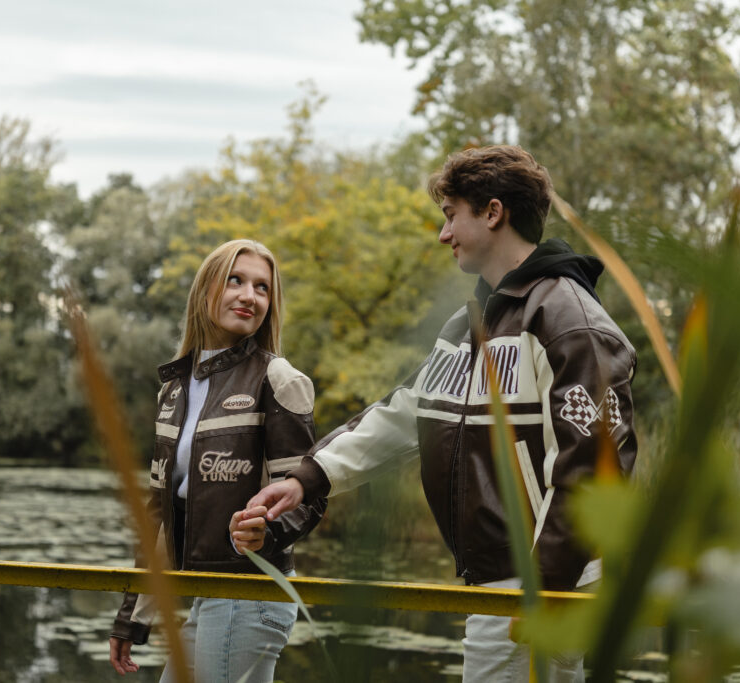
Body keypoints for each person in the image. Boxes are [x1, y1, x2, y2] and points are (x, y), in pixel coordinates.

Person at [243, 146, 637, 682]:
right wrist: (307, 479)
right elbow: (406, 412)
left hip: (541, 585)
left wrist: (545, 588)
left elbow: (595, 471)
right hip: (499, 582)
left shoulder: (569, 322)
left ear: (492, 212)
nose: (443, 233)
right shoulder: (467, 324)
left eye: (452, 215)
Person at [109, 239, 326, 683]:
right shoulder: (174, 389)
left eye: (263, 288)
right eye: (236, 280)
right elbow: (160, 515)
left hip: (253, 592)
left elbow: (309, 496)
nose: (250, 296)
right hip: (209, 594)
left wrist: (268, 532)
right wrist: (132, 615)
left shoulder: (278, 379)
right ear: (206, 289)